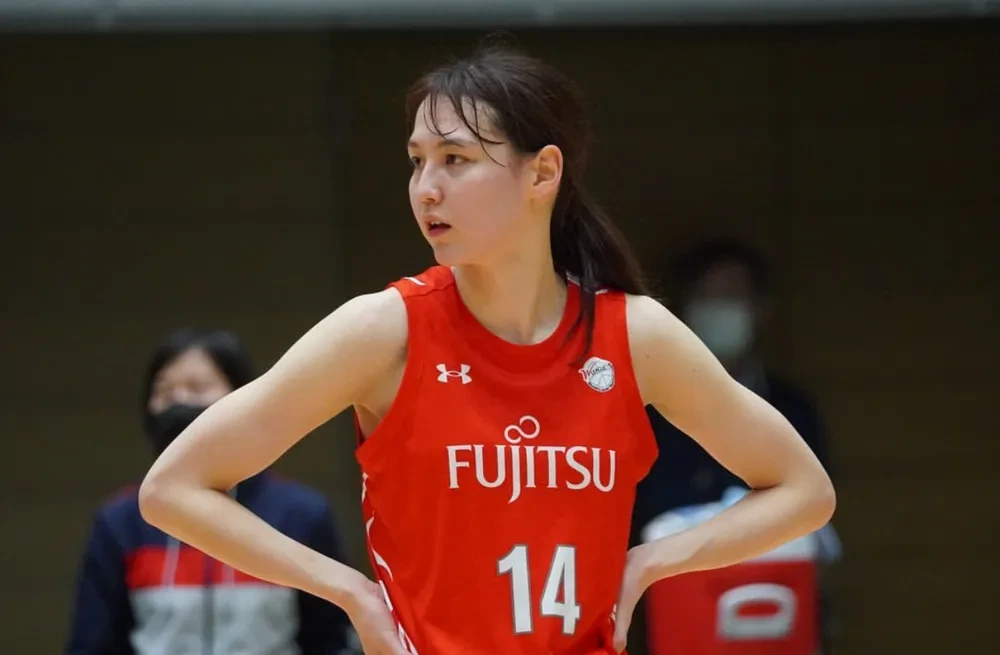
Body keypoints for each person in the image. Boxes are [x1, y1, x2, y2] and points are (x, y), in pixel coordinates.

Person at [136, 43, 835, 655]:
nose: (426, 188)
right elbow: (173, 488)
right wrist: (350, 591)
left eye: (456, 160)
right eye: (417, 161)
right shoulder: (383, 330)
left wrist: (651, 560)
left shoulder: (634, 334)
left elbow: (804, 490)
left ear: (543, 172)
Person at [65, 327, 353, 655]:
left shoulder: (301, 514)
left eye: (197, 388)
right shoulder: (121, 521)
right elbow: (92, 643)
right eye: (164, 391)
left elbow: (332, 639)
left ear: (242, 398)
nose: (179, 402)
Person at [634, 239, 834, 530]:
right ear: (682, 307)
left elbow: (813, 505)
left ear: (761, 308)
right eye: (706, 296)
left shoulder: (794, 409)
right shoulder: (648, 409)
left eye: (731, 296)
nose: (719, 309)